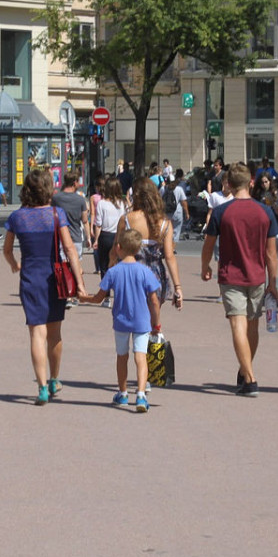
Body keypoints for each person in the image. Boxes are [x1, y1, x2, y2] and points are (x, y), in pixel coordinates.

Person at [2, 169, 86, 406]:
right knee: (55, 333)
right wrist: (79, 282)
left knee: (36, 333)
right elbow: (69, 249)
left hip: (30, 278)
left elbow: (7, 250)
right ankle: (54, 379)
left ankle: (41, 388)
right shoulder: (56, 214)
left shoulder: (17, 217)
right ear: (49, 189)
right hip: (53, 279)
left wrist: (14, 264)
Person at [201, 163, 278, 397]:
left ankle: (250, 378)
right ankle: (245, 371)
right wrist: (272, 282)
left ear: (229, 184)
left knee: (238, 325)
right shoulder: (265, 212)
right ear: (251, 183)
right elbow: (271, 253)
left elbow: (208, 244)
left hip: (231, 275)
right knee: (252, 326)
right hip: (257, 276)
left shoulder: (221, 212)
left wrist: (205, 266)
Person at [79, 229, 161, 412]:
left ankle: (123, 392)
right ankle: (141, 395)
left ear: (118, 247)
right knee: (141, 356)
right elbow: (154, 300)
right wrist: (156, 323)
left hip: (121, 320)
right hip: (142, 320)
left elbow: (99, 298)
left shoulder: (113, 271)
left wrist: (84, 298)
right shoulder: (145, 271)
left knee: (122, 356)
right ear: (138, 249)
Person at [112, 177, 183, 311]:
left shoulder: (126, 219)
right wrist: (177, 287)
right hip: (155, 276)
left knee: (131, 316)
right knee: (153, 317)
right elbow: (169, 257)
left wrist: (112, 266)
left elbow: (116, 248)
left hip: (130, 275)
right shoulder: (165, 223)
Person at [93, 176, 127, 283]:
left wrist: (96, 239)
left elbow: (98, 224)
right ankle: (118, 288)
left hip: (105, 236)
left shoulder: (102, 203)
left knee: (104, 265)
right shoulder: (122, 203)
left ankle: (106, 290)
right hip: (119, 236)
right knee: (118, 263)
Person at [52, 172, 91, 260]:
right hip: (76, 238)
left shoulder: (56, 198)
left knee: (62, 265)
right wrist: (88, 238)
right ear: (74, 183)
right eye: (78, 182)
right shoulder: (81, 200)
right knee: (76, 265)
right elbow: (85, 221)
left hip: (60, 239)